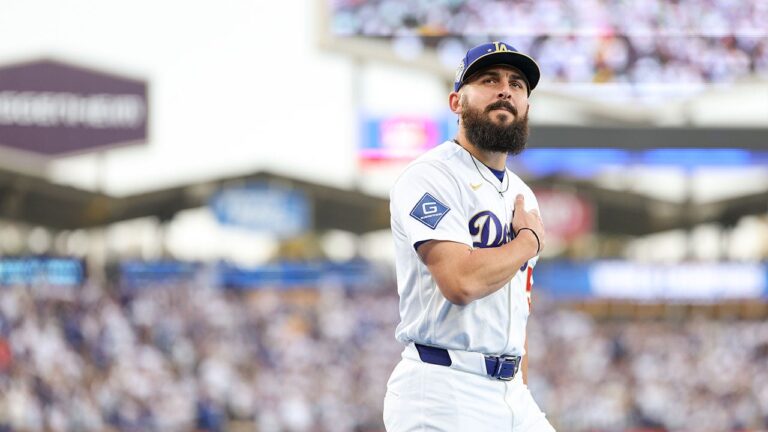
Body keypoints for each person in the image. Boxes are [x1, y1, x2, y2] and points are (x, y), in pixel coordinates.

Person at [384, 41, 555, 431]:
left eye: (517, 84)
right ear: (456, 102)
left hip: (510, 390)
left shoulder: (523, 195)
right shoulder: (430, 176)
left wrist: (518, 385)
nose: (505, 90)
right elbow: (459, 281)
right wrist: (529, 241)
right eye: (488, 79)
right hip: (444, 387)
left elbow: (514, 315)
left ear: (527, 105)